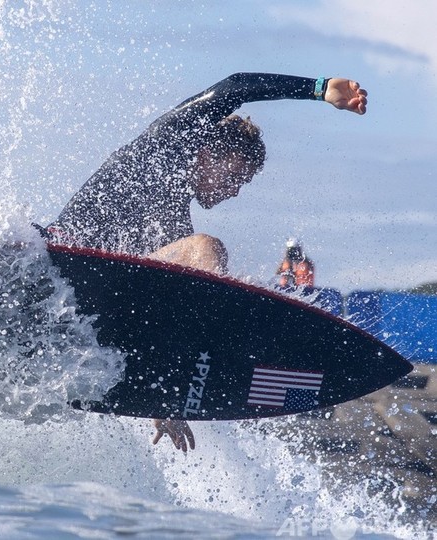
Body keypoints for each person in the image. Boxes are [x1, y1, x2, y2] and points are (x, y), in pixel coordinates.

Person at [46, 73, 368, 451]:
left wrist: (166, 397)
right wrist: (318, 89)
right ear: (207, 153)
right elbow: (236, 85)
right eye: (233, 176)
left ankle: (183, 366)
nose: (234, 191)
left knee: (190, 267)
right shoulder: (166, 145)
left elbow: (158, 307)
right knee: (207, 248)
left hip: (83, 307)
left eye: (242, 185)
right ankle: (214, 338)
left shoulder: (173, 228)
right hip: (54, 265)